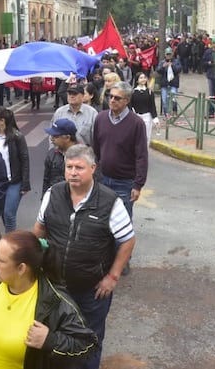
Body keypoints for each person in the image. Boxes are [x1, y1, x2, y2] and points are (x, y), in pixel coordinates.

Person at [34, 145, 136, 369]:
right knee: (57, 336)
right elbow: (39, 229)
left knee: (90, 339)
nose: (73, 172)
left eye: (79, 167)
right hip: (56, 287)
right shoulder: (53, 194)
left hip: (91, 290)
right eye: (69, 167)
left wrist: (113, 276)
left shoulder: (110, 202)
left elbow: (128, 239)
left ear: (93, 169)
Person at [0, 230, 98, 369]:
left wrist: (50, 341)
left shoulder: (55, 301)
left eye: (1, 260)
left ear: (21, 268)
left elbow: (87, 346)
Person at [92, 81, 148, 220]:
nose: (112, 100)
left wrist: (138, 185)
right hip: (102, 180)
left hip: (125, 183)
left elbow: (141, 156)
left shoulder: (136, 123)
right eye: (110, 96)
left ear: (127, 101)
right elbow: (96, 150)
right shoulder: (101, 118)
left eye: (117, 98)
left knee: (122, 223)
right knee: (101, 221)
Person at [0, 107, 30, 232]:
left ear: (2, 121)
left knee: (9, 215)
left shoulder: (17, 136)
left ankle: (10, 244)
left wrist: (25, 184)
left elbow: (24, 160)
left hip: (13, 182)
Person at [42, 118, 78, 194]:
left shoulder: (85, 155)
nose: (51, 139)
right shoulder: (51, 154)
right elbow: (46, 180)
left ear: (67, 138)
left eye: (56, 136)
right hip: (56, 198)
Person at [129, 72, 159, 145]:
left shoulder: (149, 92)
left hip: (147, 116)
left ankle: (145, 152)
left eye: (144, 77)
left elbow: (152, 106)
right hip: (136, 116)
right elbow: (130, 106)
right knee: (136, 136)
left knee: (146, 136)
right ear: (137, 80)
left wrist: (155, 118)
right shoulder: (133, 92)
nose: (143, 79)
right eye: (141, 78)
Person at [155, 47, 182, 116]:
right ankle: (166, 113)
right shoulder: (162, 62)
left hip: (173, 83)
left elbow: (178, 70)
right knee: (164, 100)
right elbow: (158, 70)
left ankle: (174, 111)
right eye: (167, 54)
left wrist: (172, 66)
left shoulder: (176, 61)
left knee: (173, 98)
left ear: (172, 54)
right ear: (165, 55)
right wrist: (163, 67)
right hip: (164, 84)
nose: (168, 56)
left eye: (170, 54)